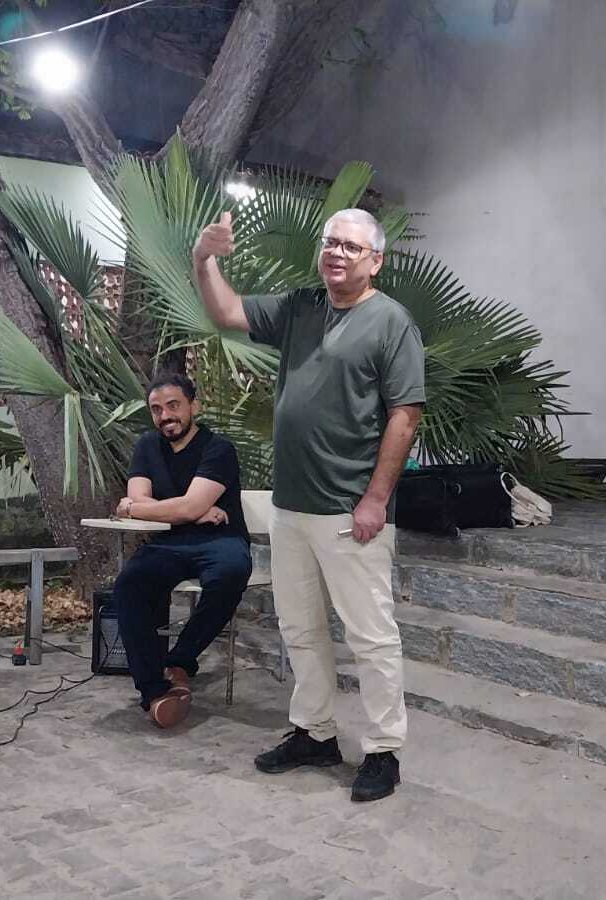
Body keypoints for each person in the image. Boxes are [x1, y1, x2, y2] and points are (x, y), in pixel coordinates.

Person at [192, 206, 425, 802]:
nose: (336, 253)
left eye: (350, 247)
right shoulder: (300, 306)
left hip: (350, 510)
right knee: (300, 628)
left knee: (371, 636)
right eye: (330, 243)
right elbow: (226, 310)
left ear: (375, 261)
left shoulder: (391, 322)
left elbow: (404, 416)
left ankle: (383, 750)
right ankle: (315, 733)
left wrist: (376, 499)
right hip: (291, 506)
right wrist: (204, 257)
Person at [112, 372, 253, 728]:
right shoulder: (147, 446)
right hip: (168, 541)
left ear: (194, 406)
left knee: (231, 572)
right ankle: (154, 692)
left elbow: (140, 504)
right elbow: (146, 499)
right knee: (129, 583)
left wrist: (139, 507)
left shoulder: (218, 448)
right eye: (156, 409)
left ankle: (180, 660)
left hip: (220, 539)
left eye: (173, 405)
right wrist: (190, 509)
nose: (165, 416)